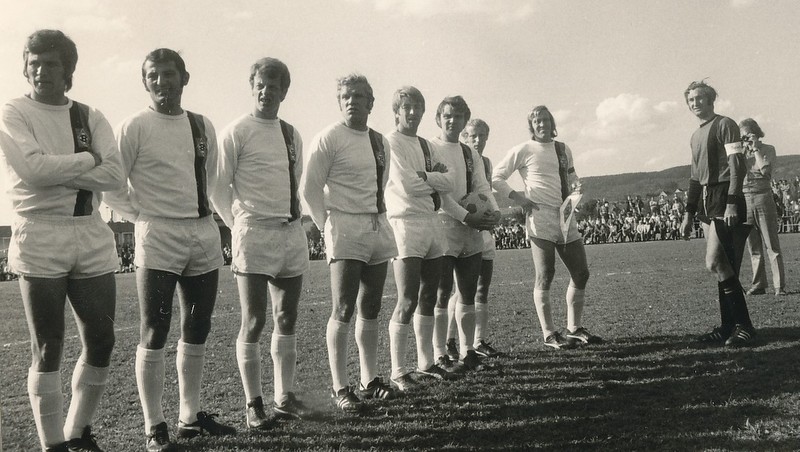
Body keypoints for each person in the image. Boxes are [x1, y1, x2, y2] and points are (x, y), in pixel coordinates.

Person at [103, 48, 235, 451]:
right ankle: (154, 424)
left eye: (169, 74)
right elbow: (112, 185)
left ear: (184, 77)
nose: (162, 82)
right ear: (145, 82)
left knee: (197, 325)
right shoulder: (134, 126)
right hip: (158, 233)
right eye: (154, 76)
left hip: (201, 232)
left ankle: (189, 418)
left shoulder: (202, 125)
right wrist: (143, 214)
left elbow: (213, 181)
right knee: (155, 328)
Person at [0, 29, 124, 452]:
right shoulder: (14, 111)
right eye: (33, 62)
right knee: (49, 345)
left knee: (102, 340)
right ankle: (52, 444)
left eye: (51, 63)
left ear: (67, 69)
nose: (41, 70)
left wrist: (61, 172)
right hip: (40, 231)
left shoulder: (90, 115)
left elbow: (115, 175)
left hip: (89, 229)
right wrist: (89, 160)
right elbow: (32, 171)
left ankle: (77, 432)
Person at [210, 58, 313, 430]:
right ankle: (253, 404)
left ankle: (284, 397)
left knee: (286, 317)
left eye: (274, 86)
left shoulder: (291, 134)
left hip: (290, 232)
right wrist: (238, 225)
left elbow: (294, 181)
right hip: (253, 233)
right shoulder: (236, 131)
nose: (266, 92)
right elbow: (218, 188)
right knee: (253, 321)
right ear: (251, 87)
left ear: (284, 91)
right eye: (261, 85)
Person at [302, 74, 399, 413]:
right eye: (346, 96)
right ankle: (339, 387)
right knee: (343, 308)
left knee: (371, 306)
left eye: (359, 96)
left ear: (371, 102)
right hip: (344, 226)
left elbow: (381, 184)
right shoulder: (329, 137)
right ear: (339, 101)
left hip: (376, 224)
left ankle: (369, 381)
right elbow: (309, 189)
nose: (352, 101)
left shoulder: (380, 141)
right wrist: (326, 225)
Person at [493, 105, 602, 350]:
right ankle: (549, 333)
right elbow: (496, 177)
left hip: (565, 214)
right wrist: (520, 199)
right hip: (540, 216)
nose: (542, 124)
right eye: (537, 121)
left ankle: (574, 329)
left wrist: (577, 187)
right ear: (531, 126)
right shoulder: (523, 149)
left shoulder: (563, 149)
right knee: (545, 274)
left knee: (581, 273)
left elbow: (572, 176)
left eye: (545, 120)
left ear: (552, 122)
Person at [384, 86, 456, 389]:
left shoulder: (427, 146)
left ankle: (425, 363)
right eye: (407, 107)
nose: (412, 112)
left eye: (417, 107)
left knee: (430, 296)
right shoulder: (390, 142)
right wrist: (432, 181)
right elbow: (407, 185)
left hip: (431, 223)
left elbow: (450, 181)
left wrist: (425, 177)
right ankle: (398, 371)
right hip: (404, 224)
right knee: (408, 298)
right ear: (397, 111)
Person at [680, 80, 755, 346]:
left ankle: (745, 326)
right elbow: (694, 177)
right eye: (691, 100)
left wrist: (732, 202)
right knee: (723, 266)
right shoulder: (695, 136)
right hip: (706, 199)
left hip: (724, 195)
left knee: (715, 262)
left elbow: (737, 166)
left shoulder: (725, 125)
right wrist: (688, 213)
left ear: (711, 100)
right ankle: (728, 327)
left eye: (700, 98)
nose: (695, 103)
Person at [432, 96, 499, 371]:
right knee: (441, 292)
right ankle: (439, 354)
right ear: (438, 119)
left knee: (468, 293)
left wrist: (495, 212)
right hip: (443, 227)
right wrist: (466, 216)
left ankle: (467, 351)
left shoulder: (471, 153)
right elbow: (440, 194)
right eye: (447, 115)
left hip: (471, 229)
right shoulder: (431, 148)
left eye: (458, 116)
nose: (452, 120)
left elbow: (482, 187)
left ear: (464, 120)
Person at [739, 118, 786, 296]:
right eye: (742, 136)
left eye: (747, 135)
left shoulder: (768, 149)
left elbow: (765, 171)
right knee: (753, 246)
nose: (745, 139)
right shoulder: (741, 153)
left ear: (756, 133)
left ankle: (779, 285)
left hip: (763, 196)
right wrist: (742, 150)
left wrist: (756, 148)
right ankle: (759, 284)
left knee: (771, 244)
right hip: (745, 198)